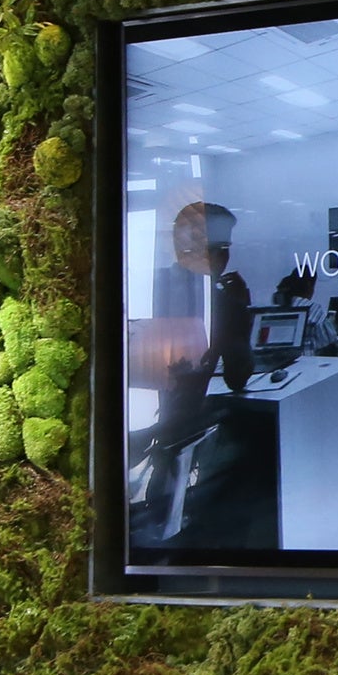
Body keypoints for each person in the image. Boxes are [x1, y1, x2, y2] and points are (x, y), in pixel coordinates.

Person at [131, 200, 263, 543]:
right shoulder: (222, 302)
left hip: (154, 435)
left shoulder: (149, 285)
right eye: (220, 247)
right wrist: (242, 310)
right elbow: (238, 376)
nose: (223, 258)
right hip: (179, 439)